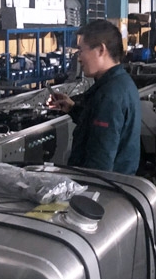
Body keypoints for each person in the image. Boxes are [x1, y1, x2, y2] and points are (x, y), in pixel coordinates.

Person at [49, 19, 141, 175]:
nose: (79, 58)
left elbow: (99, 166)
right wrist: (72, 108)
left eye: (81, 50)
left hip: (105, 191)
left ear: (100, 50)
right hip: (120, 185)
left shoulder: (109, 96)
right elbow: (100, 125)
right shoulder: (121, 82)